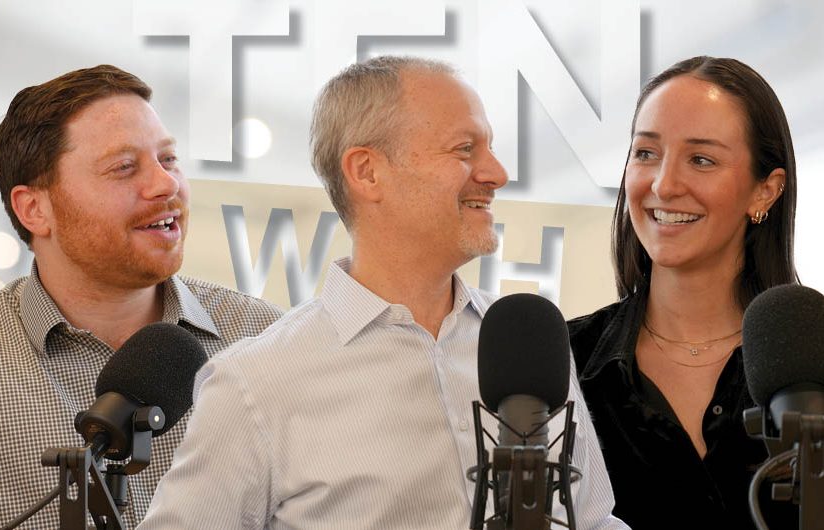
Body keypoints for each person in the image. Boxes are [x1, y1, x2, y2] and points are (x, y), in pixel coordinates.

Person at [140, 56, 627, 529]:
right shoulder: (254, 384)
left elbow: (592, 520)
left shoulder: (528, 342)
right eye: (464, 149)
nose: (497, 173)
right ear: (368, 172)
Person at [0, 65, 283, 529]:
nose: (165, 185)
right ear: (35, 209)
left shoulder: (268, 339)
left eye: (168, 160)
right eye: (124, 168)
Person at [567, 56, 799, 529]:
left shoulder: (810, 365)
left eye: (701, 160)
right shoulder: (563, 364)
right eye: (646, 153)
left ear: (765, 191)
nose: (664, 184)